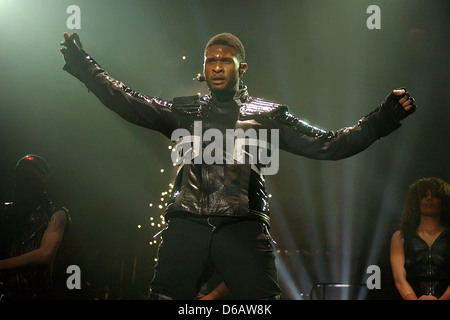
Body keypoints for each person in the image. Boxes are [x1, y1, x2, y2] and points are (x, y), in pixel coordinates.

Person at [59, 31, 416, 300]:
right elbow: (127, 100)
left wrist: (382, 119)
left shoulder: (267, 116)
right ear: (203, 69)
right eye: (210, 61)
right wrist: (84, 66)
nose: (216, 66)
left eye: (225, 61)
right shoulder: (185, 111)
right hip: (187, 222)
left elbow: (330, 144)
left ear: (241, 68)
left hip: (243, 227)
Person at [0, 154, 71, 300]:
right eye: (23, 172)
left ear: (45, 178)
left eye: (33, 172)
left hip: (38, 294)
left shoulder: (56, 213)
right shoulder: (5, 212)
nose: (27, 176)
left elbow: (45, 255)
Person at [390, 177, 450, 300]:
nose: (429, 198)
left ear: (443, 201)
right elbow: (399, 278)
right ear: (416, 202)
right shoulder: (400, 236)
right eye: (424, 195)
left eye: (435, 195)